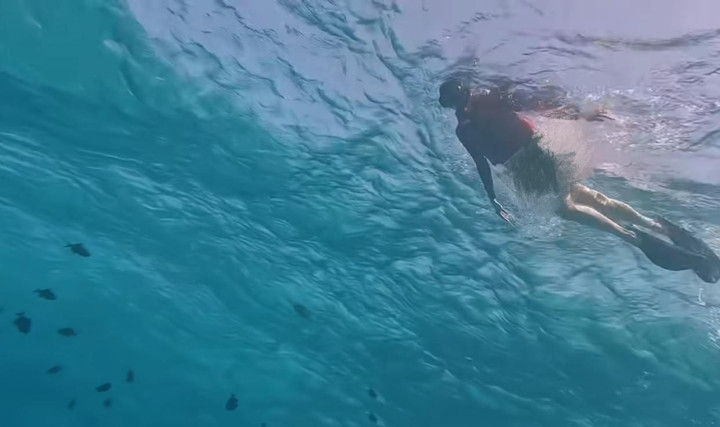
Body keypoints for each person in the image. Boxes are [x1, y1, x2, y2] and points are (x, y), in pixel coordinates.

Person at [438, 78, 720, 283]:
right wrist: (581, 115)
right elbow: (528, 112)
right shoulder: (478, 113)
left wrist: (580, 115)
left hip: (526, 160)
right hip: (530, 156)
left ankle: (633, 238)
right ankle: (654, 225)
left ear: (456, 101)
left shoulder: (476, 115)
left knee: (565, 207)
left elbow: (529, 111)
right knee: (581, 194)